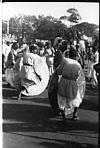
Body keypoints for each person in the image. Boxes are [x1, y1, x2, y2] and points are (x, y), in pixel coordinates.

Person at [55, 49, 86, 121]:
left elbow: (59, 72)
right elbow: (80, 77)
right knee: (76, 98)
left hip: (64, 81)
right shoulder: (78, 64)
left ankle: (64, 117)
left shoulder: (65, 61)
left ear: (69, 54)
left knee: (61, 99)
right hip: (73, 82)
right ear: (76, 56)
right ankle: (75, 114)